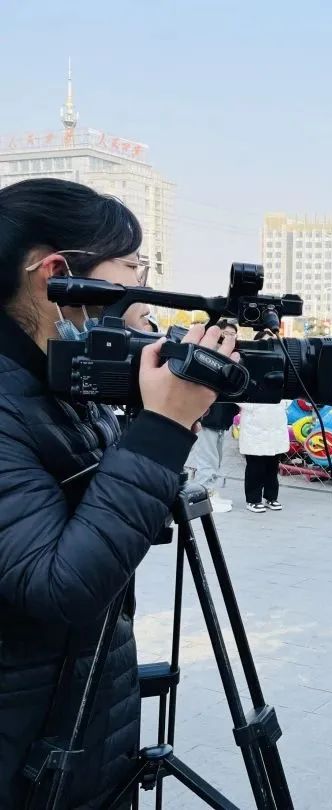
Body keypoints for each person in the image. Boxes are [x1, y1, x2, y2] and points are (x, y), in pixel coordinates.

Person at [0, 178, 231, 806]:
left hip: (81, 706)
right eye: (131, 265)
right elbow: (58, 584)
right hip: (29, 740)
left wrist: (162, 424)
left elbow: (106, 519)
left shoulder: (58, 377)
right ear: (57, 275)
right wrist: (161, 430)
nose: (142, 284)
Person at [186, 319, 240, 513]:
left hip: (221, 419)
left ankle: (210, 492)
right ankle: (204, 493)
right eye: (225, 333)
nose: (229, 338)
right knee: (207, 459)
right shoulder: (207, 357)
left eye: (233, 334)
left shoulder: (232, 359)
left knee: (215, 458)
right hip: (208, 418)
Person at [238, 395, 288, 513]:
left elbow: (290, 392)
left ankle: (271, 497)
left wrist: (283, 403)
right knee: (255, 466)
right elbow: (238, 392)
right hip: (254, 423)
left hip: (276, 421)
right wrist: (254, 406)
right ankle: (253, 499)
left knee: (273, 465)